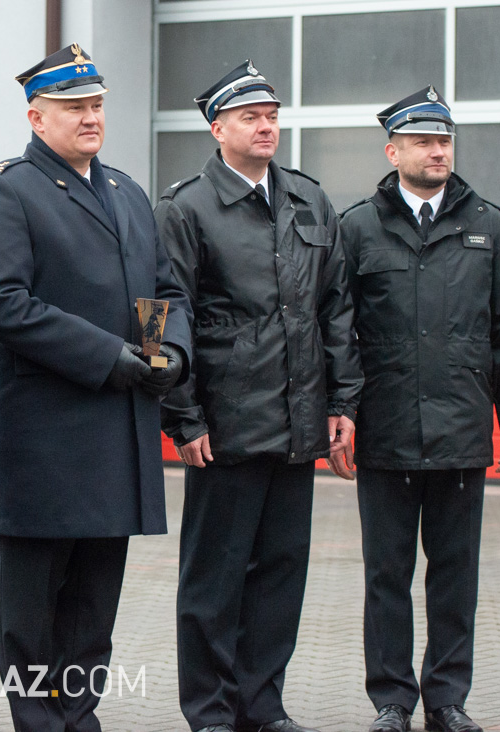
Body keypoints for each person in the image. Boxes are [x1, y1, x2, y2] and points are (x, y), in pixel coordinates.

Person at [0, 43, 192, 732]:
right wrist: (109, 357)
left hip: (114, 441)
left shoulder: (125, 191)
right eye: (73, 108)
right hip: (41, 445)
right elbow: (0, 302)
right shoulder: (4, 191)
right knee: (31, 615)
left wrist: (165, 353)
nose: (91, 117)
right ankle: (39, 722)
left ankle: (79, 718)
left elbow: (161, 292)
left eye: (96, 105)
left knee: (93, 611)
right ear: (36, 117)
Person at [156, 62, 362, 732]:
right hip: (226, 427)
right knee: (214, 579)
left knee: (280, 574)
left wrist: (342, 404)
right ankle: (211, 710)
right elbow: (159, 314)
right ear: (218, 129)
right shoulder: (185, 208)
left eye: (272, 116)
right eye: (250, 117)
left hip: (298, 423)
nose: (266, 127)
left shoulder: (308, 199)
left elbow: (335, 309)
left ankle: (262, 705)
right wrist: (182, 416)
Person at [338, 87, 500, 732]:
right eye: (423, 141)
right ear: (392, 152)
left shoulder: (489, 225)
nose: (437, 151)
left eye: (444, 141)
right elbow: (337, 329)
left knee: (455, 575)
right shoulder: (358, 227)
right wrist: (340, 410)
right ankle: (392, 701)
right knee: (386, 576)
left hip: (459, 428)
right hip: (387, 428)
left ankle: (447, 699)